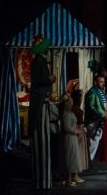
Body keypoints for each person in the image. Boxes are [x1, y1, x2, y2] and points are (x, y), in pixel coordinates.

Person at [29, 36, 56, 190]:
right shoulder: (38, 61)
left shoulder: (40, 61)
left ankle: (44, 181)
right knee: (41, 141)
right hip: (39, 104)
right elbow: (37, 80)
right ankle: (42, 182)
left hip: (42, 103)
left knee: (44, 141)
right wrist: (49, 79)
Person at [59, 94, 84, 186]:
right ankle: (68, 180)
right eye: (70, 102)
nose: (72, 103)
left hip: (72, 137)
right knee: (69, 157)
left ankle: (70, 178)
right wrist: (77, 131)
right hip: (69, 137)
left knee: (72, 156)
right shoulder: (66, 113)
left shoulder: (70, 112)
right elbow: (67, 127)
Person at [85, 75, 107, 161]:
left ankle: (89, 160)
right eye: (101, 81)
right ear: (95, 82)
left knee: (96, 141)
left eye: (103, 82)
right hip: (94, 120)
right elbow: (91, 106)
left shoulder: (102, 92)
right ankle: (88, 160)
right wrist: (100, 115)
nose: (103, 83)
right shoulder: (92, 92)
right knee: (93, 141)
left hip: (101, 120)